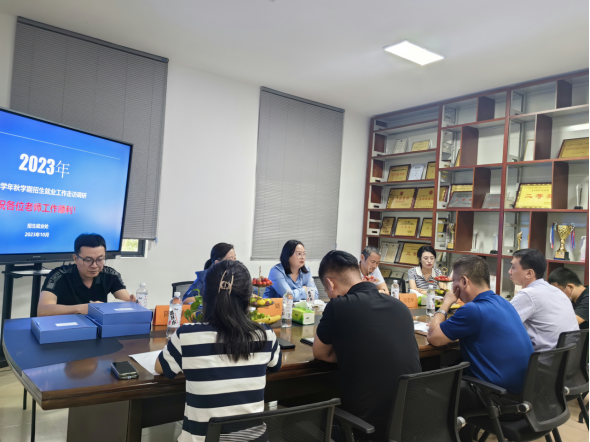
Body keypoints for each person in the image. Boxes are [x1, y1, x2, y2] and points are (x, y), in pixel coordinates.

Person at [156, 260, 282, 442]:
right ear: (248, 298)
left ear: (204, 296)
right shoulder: (265, 334)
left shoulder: (187, 335)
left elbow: (160, 368)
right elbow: (276, 365)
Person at [313, 250, 421, 440]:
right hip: (412, 423)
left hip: (366, 429)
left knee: (302, 423)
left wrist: (354, 348)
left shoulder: (338, 306)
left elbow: (321, 353)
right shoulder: (400, 306)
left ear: (330, 283)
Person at [427, 255, 533, 442]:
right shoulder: (503, 302)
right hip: (527, 398)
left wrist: (446, 303)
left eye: (454, 282)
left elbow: (434, 338)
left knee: (430, 386)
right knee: (456, 370)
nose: (452, 287)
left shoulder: (473, 310)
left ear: (464, 281)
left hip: (501, 400)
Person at [38, 233, 135, 317]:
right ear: (75, 259)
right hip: (64, 327)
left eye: (100, 259)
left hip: (98, 327)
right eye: (88, 260)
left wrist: (132, 304)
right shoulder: (59, 275)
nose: (94, 265)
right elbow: (42, 311)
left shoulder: (110, 274)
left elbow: (127, 302)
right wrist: (82, 308)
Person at [508, 249, 579, 350]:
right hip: (567, 357)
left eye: (513, 267)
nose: (509, 271)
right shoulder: (556, 291)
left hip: (542, 358)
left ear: (529, 273)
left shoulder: (528, 294)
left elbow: (502, 324)